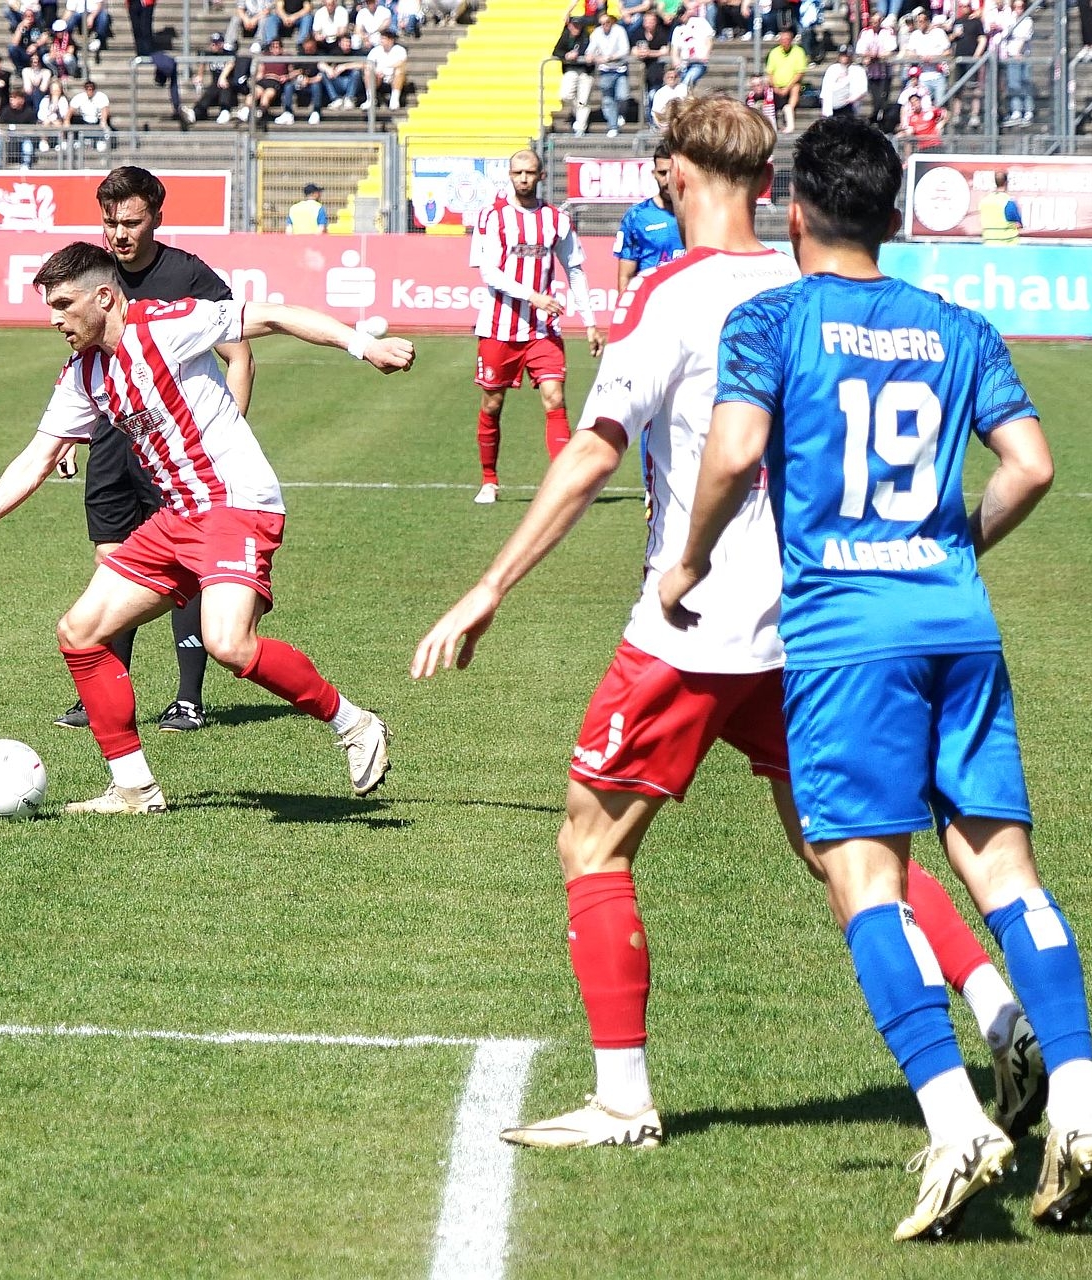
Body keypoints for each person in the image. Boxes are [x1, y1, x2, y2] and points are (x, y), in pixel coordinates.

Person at [412, 97, 1042, 1169]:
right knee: (838, 846)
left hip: (696, 627)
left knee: (590, 840)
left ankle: (622, 1096)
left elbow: (594, 452)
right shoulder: (811, 281)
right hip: (821, 621)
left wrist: (489, 587)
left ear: (675, 172)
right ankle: (993, 1003)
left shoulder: (670, 292)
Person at [658, 115, 1092, 1242]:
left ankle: (957, 1122)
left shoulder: (771, 318)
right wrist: (955, 543)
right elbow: (1032, 465)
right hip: (957, 620)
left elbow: (732, 453)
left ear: (796, 212)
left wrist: (689, 559)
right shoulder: (959, 326)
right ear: (896, 214)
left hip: (846, 637)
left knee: (866, 878)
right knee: (1006, 872)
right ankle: (1079, 1103)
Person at [0, 240, 409, 814]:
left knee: (228, 644)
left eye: (63, 305)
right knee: (79, 632)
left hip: (235, 503)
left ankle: (355, 724)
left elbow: (275, 316)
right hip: (178, 516)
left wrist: (366, 346)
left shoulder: (166, 325)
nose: (53, 319)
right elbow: (37, 457)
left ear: (103, 298)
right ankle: (133, 787)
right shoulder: (86, 372)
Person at [50, 168, 256, 735]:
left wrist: (225, 437)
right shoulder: (95, 273)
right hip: (113, 446)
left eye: (131, 222)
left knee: (184, 568)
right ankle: (106, 695)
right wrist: (72, 435)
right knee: (112, 563)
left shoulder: (187, 274)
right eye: (110, 222)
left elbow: (240, 356)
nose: (119, 234)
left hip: (177, 454)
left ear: (157, 218)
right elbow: (85, 359)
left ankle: (188, 699)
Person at [467, 149, 602, 505]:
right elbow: (489, 272)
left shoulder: (557, 219)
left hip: (543, 330)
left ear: (542, 176)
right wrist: (533, 296)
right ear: (509, 175)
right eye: (517, 172)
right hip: (499, 327)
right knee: (492, 404)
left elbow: (575, 269)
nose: (523, 178)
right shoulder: (491, 217)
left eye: (530, 172)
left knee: (555, 398)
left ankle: (563, 484)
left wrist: (590, 322)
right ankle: (489, 480)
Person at [615, 142, 684, 292]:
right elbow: (625, 276)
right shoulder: (637, 216)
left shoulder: (698, 214)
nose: (667, 180)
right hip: (651, 302)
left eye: (672, 172)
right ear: (654, 174)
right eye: (662, 173)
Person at [586, 7, 630, 134]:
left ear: (611, 22)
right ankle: (613, 126)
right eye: (602, 23)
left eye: (607, 22)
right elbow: (591, 49)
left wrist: (610, 57)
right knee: (608, 99)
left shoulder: (619, 31)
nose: (604, 25)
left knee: (623, 96)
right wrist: (590, 55)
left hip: (620, 69)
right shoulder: (596, 33)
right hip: (605, 71)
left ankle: (620, 114)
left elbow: (625, 50)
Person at [766, 28, 808, 132]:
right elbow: (770, 73)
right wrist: (775, 87)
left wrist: (787, 88)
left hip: (791, 85)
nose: (785, 42)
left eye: (787, 39)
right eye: (783, 39)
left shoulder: (799, 51)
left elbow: (800, 73)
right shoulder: (774, 52)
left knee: (796, 87)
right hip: (776, 86)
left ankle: (789, 112)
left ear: (791, 40)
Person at [364, 26, 406, 109]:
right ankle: (370, 99)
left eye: (384, 38)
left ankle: (394, 100)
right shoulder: (375, 50)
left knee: (399, 71)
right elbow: (369, 63)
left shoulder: (400, 50)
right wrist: (376, 72)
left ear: (391, 40)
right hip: (378, 78)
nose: (381, 40)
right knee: (368, 72)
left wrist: (386, 68)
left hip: (393, 77)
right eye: (381, 38)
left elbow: (401, 62)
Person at [820, 45, 868, 116]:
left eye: (847, 55)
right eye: (842, 55)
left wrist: (851, 100)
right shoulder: (832, 69)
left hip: (850, 107)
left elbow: (863, 90)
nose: (845, 57)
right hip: (832, 107)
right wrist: (824, 108)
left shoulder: (858, 70)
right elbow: (825, 90)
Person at [979, 168, 1021, 244]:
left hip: (989, 243)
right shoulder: (1008, 202)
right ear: (1006, 183)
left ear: (995, 182)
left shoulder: (984, 201)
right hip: (1007, 244)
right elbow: (1018, 224)